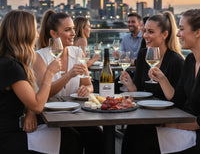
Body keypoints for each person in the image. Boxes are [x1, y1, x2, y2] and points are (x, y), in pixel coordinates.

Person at [124, 9, 200, 153]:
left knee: (144, 137)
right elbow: (177, 98)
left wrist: (171, 125)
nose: (177, 34)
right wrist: (162, 79)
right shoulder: (190, 60)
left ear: (197, 32)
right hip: (187, 128)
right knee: (136, 129)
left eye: (182, 29)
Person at [33, 10, 104, 154]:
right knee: (73, 138)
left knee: (96, 133)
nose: (73, 33)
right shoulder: (40, 57)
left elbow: (88, 84)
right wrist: (69, 75)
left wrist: (87, 90)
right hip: (49, 115)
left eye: (73, 29)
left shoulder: (77, 52)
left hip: (74, 113)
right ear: (54, 34)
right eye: (68, 30)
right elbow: (45, 94)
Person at [0, 10, 65, 153]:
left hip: (12, 130)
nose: (36, 35)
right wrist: (49, 73)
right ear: (25, 34)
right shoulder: (11, 66)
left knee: (67, 135)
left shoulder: (8, 62)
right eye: (34, 30)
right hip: (8, 138)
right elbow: (37, 106)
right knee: (66, 137)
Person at [120, 11, 184, 99]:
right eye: (145, 31)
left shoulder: (176, 61)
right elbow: (137, 90)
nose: (145, 35)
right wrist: (129, 84)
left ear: (164, 34)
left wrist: (162, 80)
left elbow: (179, 100)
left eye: (150, 32)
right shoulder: (143, 54)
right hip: (145, 110)